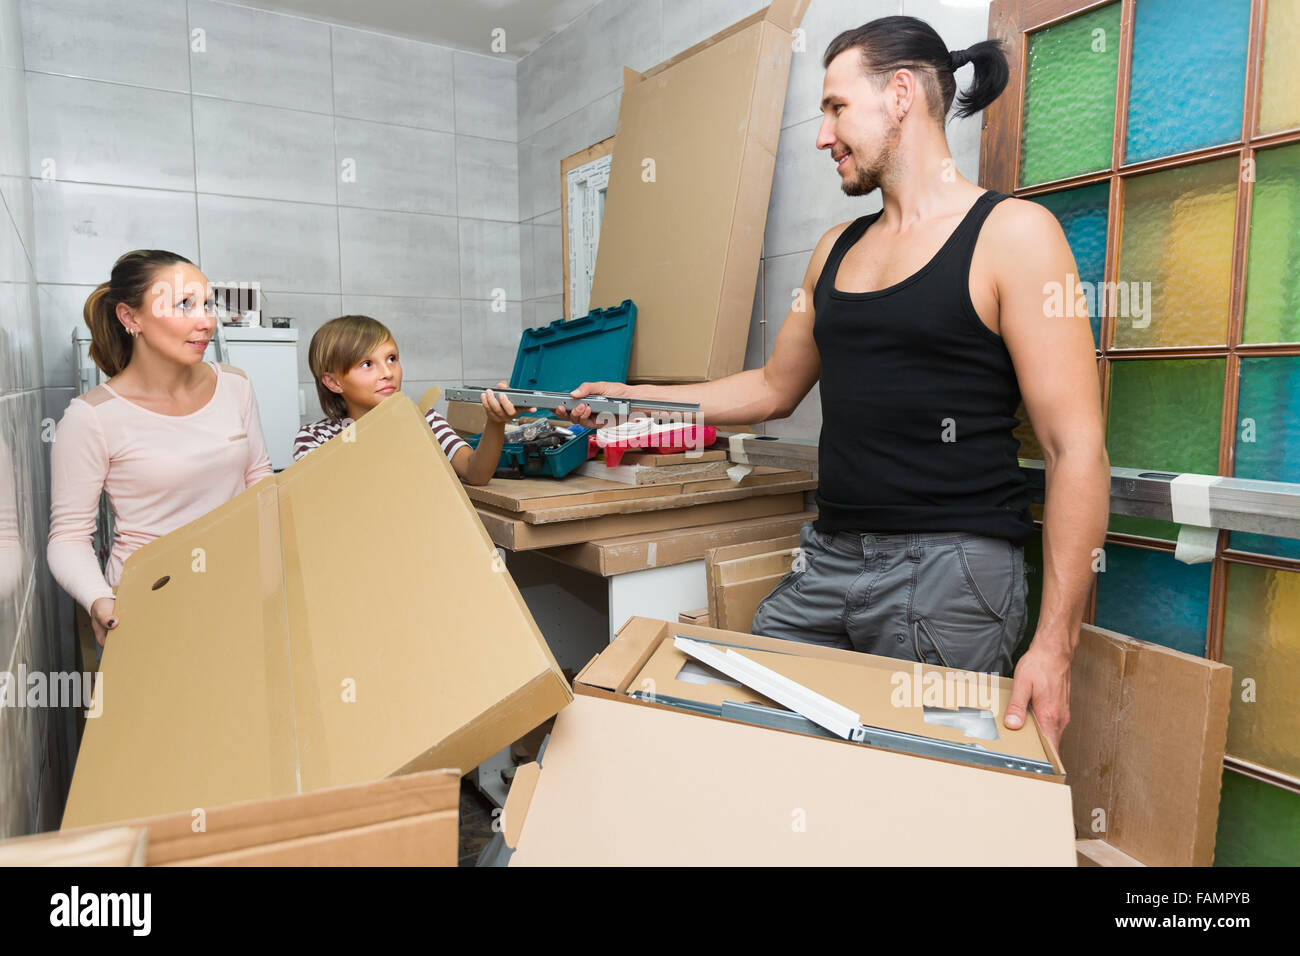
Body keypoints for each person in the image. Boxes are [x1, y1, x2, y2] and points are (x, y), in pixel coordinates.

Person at [557, 16, 1110, 748]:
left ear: (902, 94)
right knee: (763, 737)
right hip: (829, 557)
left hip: (952, 572)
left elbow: (1077, 449)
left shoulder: (1014, 234)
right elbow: (770, 389)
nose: (823, 135)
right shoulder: (835, 250)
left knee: (921, 793)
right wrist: (634, 400)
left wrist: (1055, 648)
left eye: (835, 107)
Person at [48, 250, 274, 649]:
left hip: (240, 593)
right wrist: (100, 599)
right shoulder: (91, 418)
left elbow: (258, 478)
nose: (205, 322)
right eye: (184, 305)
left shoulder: (235, 385)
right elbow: (68, 537)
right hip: (150, 608)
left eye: (207, 304)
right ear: (130, 318)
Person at [293, 315, 530, 484]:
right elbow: (320, 503)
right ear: (333, 382)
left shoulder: (426, 421)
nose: (388, 372)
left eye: (392, 358)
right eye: (367, 364)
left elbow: (475, 473)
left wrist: (495, 422)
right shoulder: (315, 438)